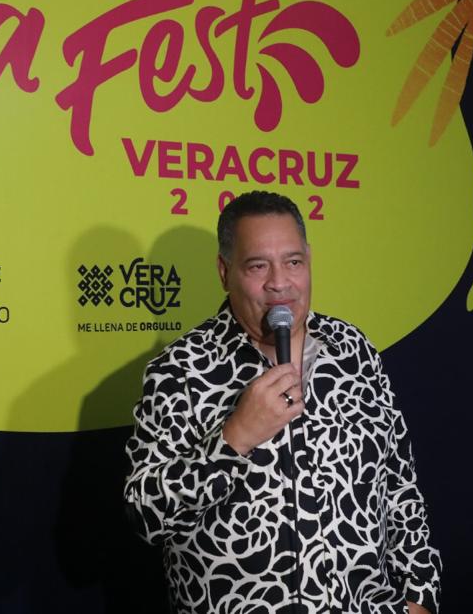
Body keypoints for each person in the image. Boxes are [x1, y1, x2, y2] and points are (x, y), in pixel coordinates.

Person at [124, 191, 442, 614]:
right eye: (258, 266)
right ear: (224, 272)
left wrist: (421, 594)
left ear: (309, 261)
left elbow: (399, 483)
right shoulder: (180, 370)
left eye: (293, 262)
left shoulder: (353, 351)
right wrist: (235, 438)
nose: (279, 282)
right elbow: (148, 516)